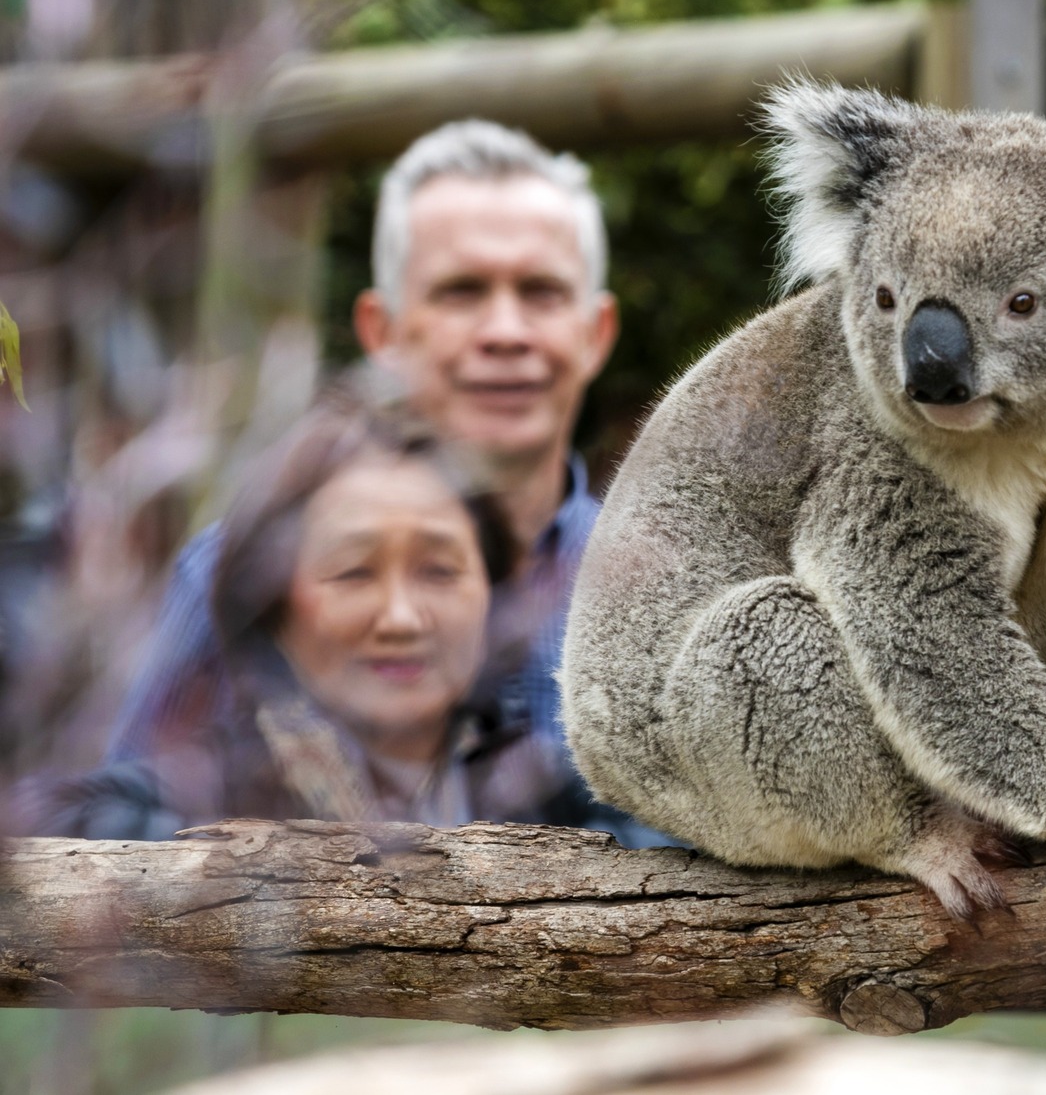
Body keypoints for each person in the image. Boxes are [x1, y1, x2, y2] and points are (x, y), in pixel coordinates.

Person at [104, 121, 620, 789]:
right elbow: (116, 843)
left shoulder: (667, 585)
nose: (505, 331)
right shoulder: (237, 574)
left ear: (596, 333)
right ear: (383, 332)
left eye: (541, 292)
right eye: (461, 290)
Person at [38, 395, 592, 836]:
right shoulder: (188, 800)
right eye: (353, 572)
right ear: (272, 603)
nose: (401, 618)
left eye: (440, 571)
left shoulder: (560, 798)